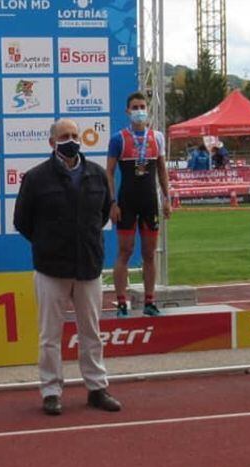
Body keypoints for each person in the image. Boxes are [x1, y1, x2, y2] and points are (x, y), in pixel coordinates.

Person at [13, 119, 121, 416]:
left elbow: (101, 216)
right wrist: (50, 243)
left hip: (88, 266)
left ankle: (97, 388)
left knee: (92, 332)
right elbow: (23, 221)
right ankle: (51, 391)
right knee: (49, 336)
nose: (70, 140)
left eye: (74, 135)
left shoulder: (97, 175)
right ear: (52, 142)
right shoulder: (36, 179)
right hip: (51, 268)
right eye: (64, 136)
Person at [107, 92, 171, 317]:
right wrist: (112, 203)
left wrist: (167, 198)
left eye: (142, 106)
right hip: (126, 202)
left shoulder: (158, 137)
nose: (139, 110)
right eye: (134, 107)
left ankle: (150, 301)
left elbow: (162, 169)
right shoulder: (119, 139)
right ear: (127, 111)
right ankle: (122, 302)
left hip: (149, 203)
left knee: (149, 254)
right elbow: (109, 172)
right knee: (125, 251)